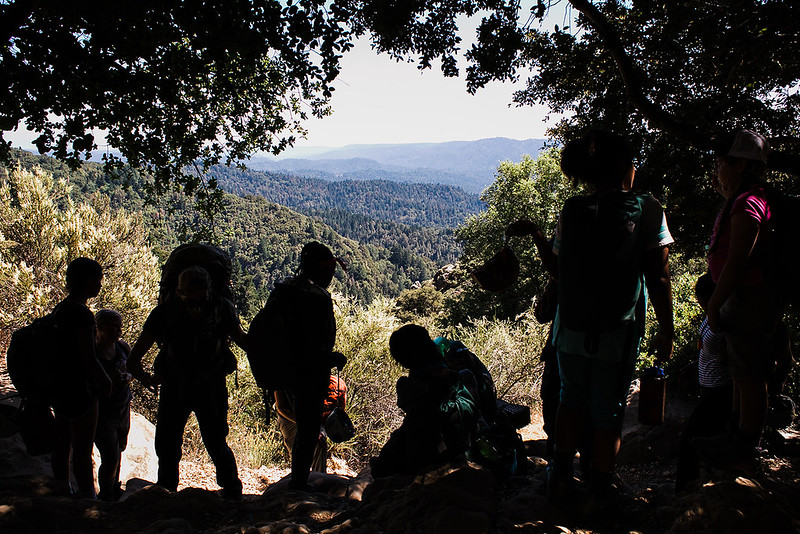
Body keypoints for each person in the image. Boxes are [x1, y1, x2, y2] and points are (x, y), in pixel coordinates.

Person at [507, 130, 674, 506]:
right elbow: (659, 275)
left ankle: (560, 477)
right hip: (619, 328)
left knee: (572, 398)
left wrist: (535, 232)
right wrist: (667, 329)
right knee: (608, 407)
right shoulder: (648, 209)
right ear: (623, 169)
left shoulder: (572, 209)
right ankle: (600, 486)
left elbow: (557, 267)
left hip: (571, 328)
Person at [701, 129, 789, 472]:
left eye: (721, 163)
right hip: (747, 297)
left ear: (739, 164)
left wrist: (714, 303)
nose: (717, 170)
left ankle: (746, 444)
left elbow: (738, 261)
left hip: (749, 297)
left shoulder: (749, 203)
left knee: (750, 374)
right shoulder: (748, 197)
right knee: (740, 370)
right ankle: (736, 434)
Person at [127, 265, 246, 500]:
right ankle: (231, 491)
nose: (197, 308)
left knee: (177, 443)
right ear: (180, 294)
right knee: (212, 442)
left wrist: (146, 378)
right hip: (207, 386)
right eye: (193, 303)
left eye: (201, 302)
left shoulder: (164, 313)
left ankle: (167, 491)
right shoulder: (221, 309)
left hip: (178, 387)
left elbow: (134, 359)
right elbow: (242, 340)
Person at [266, 241, 346, 490]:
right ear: (321, 270)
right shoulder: (317, 298)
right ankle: (299, 484)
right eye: (330, 271)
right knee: (310, 429)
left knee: (303, 428)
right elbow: (312, 346)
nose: (332, 276)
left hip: (283, 372)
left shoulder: (284, 291)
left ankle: (299, 480)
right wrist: (331, 359)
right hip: (309, 374)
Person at [370, 324, 477, 478]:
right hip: (461, 447)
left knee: (381, 467)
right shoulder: (461, 377)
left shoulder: (408, 386)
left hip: (424, 454)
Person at [51, 257, 112, 499]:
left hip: (60, 384)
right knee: (82, 446)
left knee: (63, 443)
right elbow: (88, 357)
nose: (100, 284)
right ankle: (87, 496)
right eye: (98, 279)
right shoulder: (83, 314)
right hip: (79, 388)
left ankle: (61, 489)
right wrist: (105, 381)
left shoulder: (61, 309)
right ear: (88, 281)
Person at [675, 273, 732, 493]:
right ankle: (692, 487)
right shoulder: (711, 315)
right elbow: (707, 349)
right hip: (708, 388)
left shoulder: (726, 319)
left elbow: (733, 356)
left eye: (703, 300)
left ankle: (685, 492)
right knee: (697, 440)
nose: (700, 305)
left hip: (721, 391)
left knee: (691, 440)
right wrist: (692, 366)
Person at [94, 309, 133, 501]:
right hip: (102, 411)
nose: (118, 331)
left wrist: (128, 377)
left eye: (119, 327)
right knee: (110, 454)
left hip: (123, 407)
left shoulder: (122, 347)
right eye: (113, 327)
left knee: (119, 448)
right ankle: (106, 493)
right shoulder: (92, 352)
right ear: (99, 328)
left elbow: (133, 367)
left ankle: (113, 487)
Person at [274, 374, 347, 474]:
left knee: (320, 442)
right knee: (297, 453)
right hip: (289, 418)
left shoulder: (316, 376)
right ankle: (301, 479)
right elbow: (282, 407)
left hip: (312, 417)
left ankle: (318, 477)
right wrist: (306, 424)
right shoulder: (283, 376)